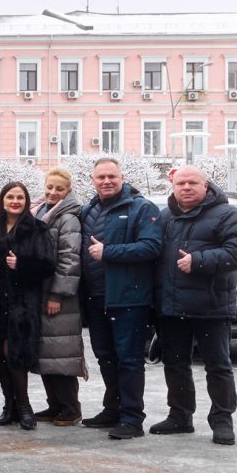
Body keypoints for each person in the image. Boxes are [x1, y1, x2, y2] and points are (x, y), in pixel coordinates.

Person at [152, 166, 237, 445]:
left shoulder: (228, 215)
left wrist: (199, 261)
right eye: (180, 183)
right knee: (175, 364)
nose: (186, 187)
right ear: (173, 187)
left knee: (218, 366)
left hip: (211, 306)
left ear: (205, 186)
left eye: (192, 182)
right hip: (172, 307)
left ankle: (222, 421)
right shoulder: (165, 217)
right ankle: (180, 416)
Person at [80, 158, 163, 440]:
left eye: (112, 176)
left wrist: (109, 252)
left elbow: (151, 247)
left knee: (129, 360)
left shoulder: (141, 208)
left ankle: (132, 418)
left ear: (122, 177)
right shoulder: (88, 210)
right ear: (92, 180)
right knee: (105, 357)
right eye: (100, 177)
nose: (106, 181)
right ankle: (112, 409)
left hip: (129, 298)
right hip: (96, 298)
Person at [0, 182, 56, 431]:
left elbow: (48, 265)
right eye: (10, 197)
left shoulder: (37, 228)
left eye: (20, 197)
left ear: (27, 201)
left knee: (15, 354)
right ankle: (10, 405)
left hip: (22, 302)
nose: (15, 201)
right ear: (2, 200)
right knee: (0, 355)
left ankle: (24, 406)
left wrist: (22, 265)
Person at [34, 168, 87, 426]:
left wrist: (57, 293)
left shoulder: (68, 218)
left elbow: (69, 259)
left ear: (68, 191)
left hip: (59, 298)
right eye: (50, 187)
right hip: (41, 293)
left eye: (59, 189)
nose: (53, 192)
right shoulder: (42, 212)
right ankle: (54, 404)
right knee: (47, 352)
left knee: (61, 351)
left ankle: (70, 407)